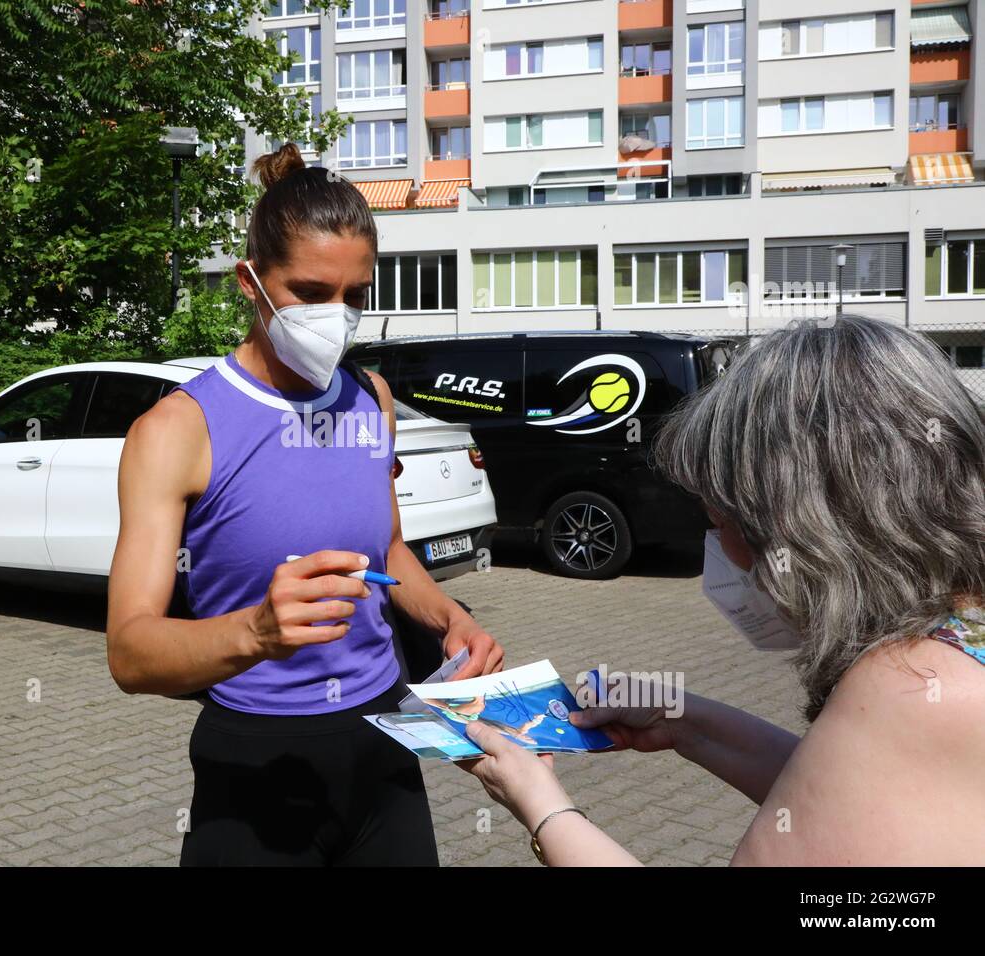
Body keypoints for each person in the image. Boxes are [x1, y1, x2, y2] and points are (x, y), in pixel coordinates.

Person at [458, 315, 985, 865]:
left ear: (806, 528)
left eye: (723, 523)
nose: (719, 550)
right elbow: (841, 797)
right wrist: (684, 723)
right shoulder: (951, 650)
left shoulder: (909, 687)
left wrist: (542, 807)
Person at [105, 143, 504, 866]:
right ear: (249, 283)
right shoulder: (176, 431)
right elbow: (131, 652)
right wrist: (256, 631)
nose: (337, 317)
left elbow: (386, 554)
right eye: (311, 292)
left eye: (357, 297)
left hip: (384, 744)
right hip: (255, 762)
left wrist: (453, 620)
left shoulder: (371, 399)